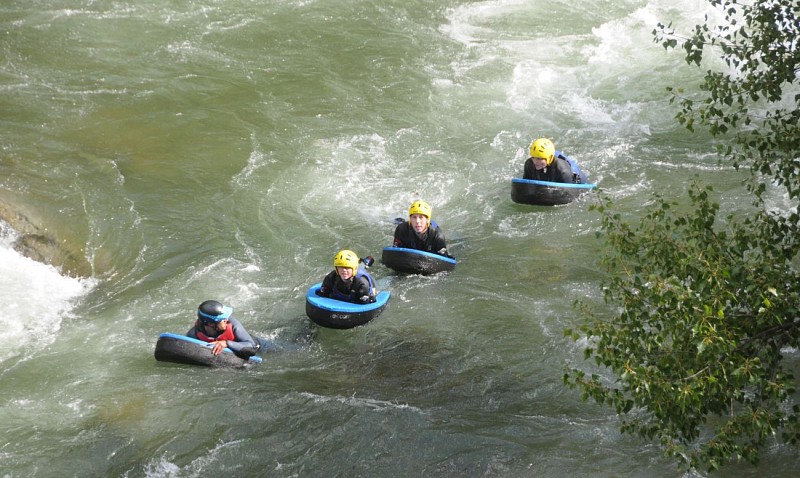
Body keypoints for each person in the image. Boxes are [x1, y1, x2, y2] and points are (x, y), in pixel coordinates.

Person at [187, 300, 258, 356]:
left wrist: (227, 343)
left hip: (256, 344)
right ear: (211, 324)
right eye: (222, 319)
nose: (226, 320)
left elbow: (252, 348)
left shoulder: (232, 324)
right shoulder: (193, 334)